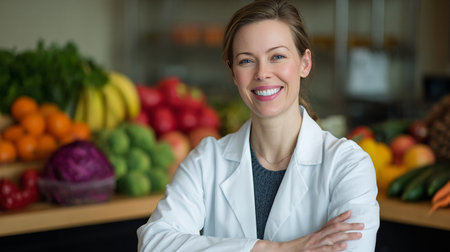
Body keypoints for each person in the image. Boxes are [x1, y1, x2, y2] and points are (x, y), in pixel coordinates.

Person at [137, 0, 379, 251]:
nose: (262, 73)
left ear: (305, 63)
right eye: (246, 61)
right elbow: (154, 243)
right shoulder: (206, 161)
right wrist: (279, 249)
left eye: (277, 56)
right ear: (232, 72)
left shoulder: (348, 165)